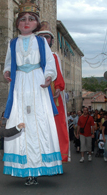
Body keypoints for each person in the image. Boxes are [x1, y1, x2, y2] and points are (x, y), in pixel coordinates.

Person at [2, 0, 63, 185]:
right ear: (17, 23)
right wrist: (6, 71)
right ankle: (24, 168)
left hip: (37, 83)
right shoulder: (12, 43)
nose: (26, 22)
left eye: (30, 19)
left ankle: (39, 166)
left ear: (36, 23)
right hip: (20, 82)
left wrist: (49, 76)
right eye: (22, 19)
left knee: (39, 122)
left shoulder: (41, 41)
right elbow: (8, 62)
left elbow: (50, 64)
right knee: (20, 121)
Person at [36, 21, 70, 163]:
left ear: (52, 40)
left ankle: (57, 156)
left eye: (47, 37)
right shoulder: (32, 56)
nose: (44, 39)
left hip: (52, 96)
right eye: (41, 36)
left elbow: (59, 77)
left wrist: (58, 89)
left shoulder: (54, 56)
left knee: (56, 127)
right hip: (36, 94)